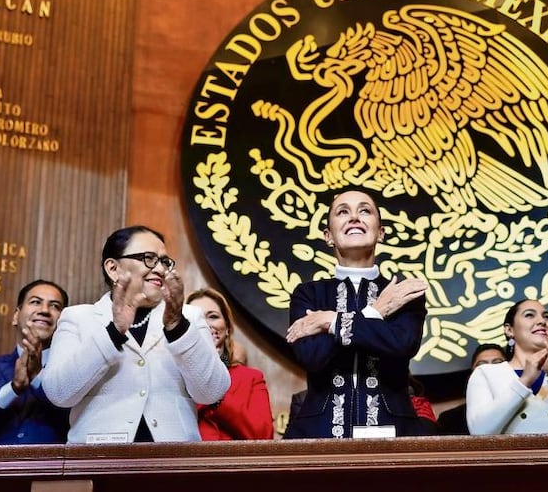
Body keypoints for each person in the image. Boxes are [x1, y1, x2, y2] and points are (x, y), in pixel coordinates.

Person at [40, 225, 229, 443]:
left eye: (164, 262)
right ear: (113, 268)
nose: (159, 269)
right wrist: (114, 333)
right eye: (149, 258)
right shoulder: (78, 318)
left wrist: (177, 328)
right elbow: (58, 393)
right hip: (97, 460)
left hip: (173, 460)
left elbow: (212, 391)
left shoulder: (189, 317)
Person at [283, 188, 429, 439]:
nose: (354, 217)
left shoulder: (402, 292)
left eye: (365, 211)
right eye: (342, 212)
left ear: (380, 232)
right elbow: (313, 356)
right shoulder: (308, 294)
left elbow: (402, 344)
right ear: (328, 236)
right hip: (319, 433)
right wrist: (376, 312)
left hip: (392, 430)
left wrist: (331, 320)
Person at [467, 299, 548, 434]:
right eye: (529, 315)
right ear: (509, 330)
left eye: (546, 317)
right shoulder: (486, 374)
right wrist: (524, 381)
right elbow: (479, 432)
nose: (542, 321)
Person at [0, 279, 71, 444]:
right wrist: (14, 388)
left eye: (55, 306)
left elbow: (76, 420)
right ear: (16, 316)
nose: (45, 310)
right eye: (35, 302)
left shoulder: (73, 372)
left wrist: (38, 378)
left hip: (49, 468)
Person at [186, 287, 274, 440]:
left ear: (227, 327)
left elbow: (263, 435)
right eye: (196, 318)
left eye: (212, 316)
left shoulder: (250, 378)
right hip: (186, 461)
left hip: (234, 461)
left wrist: (217, 396)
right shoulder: (175, 376)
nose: (205, 324)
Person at [436, 343, 506, 435]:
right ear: (471, 376)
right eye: (481, 365)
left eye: (497, 363)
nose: (489, 369)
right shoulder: (449, 420)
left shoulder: (522, 411)